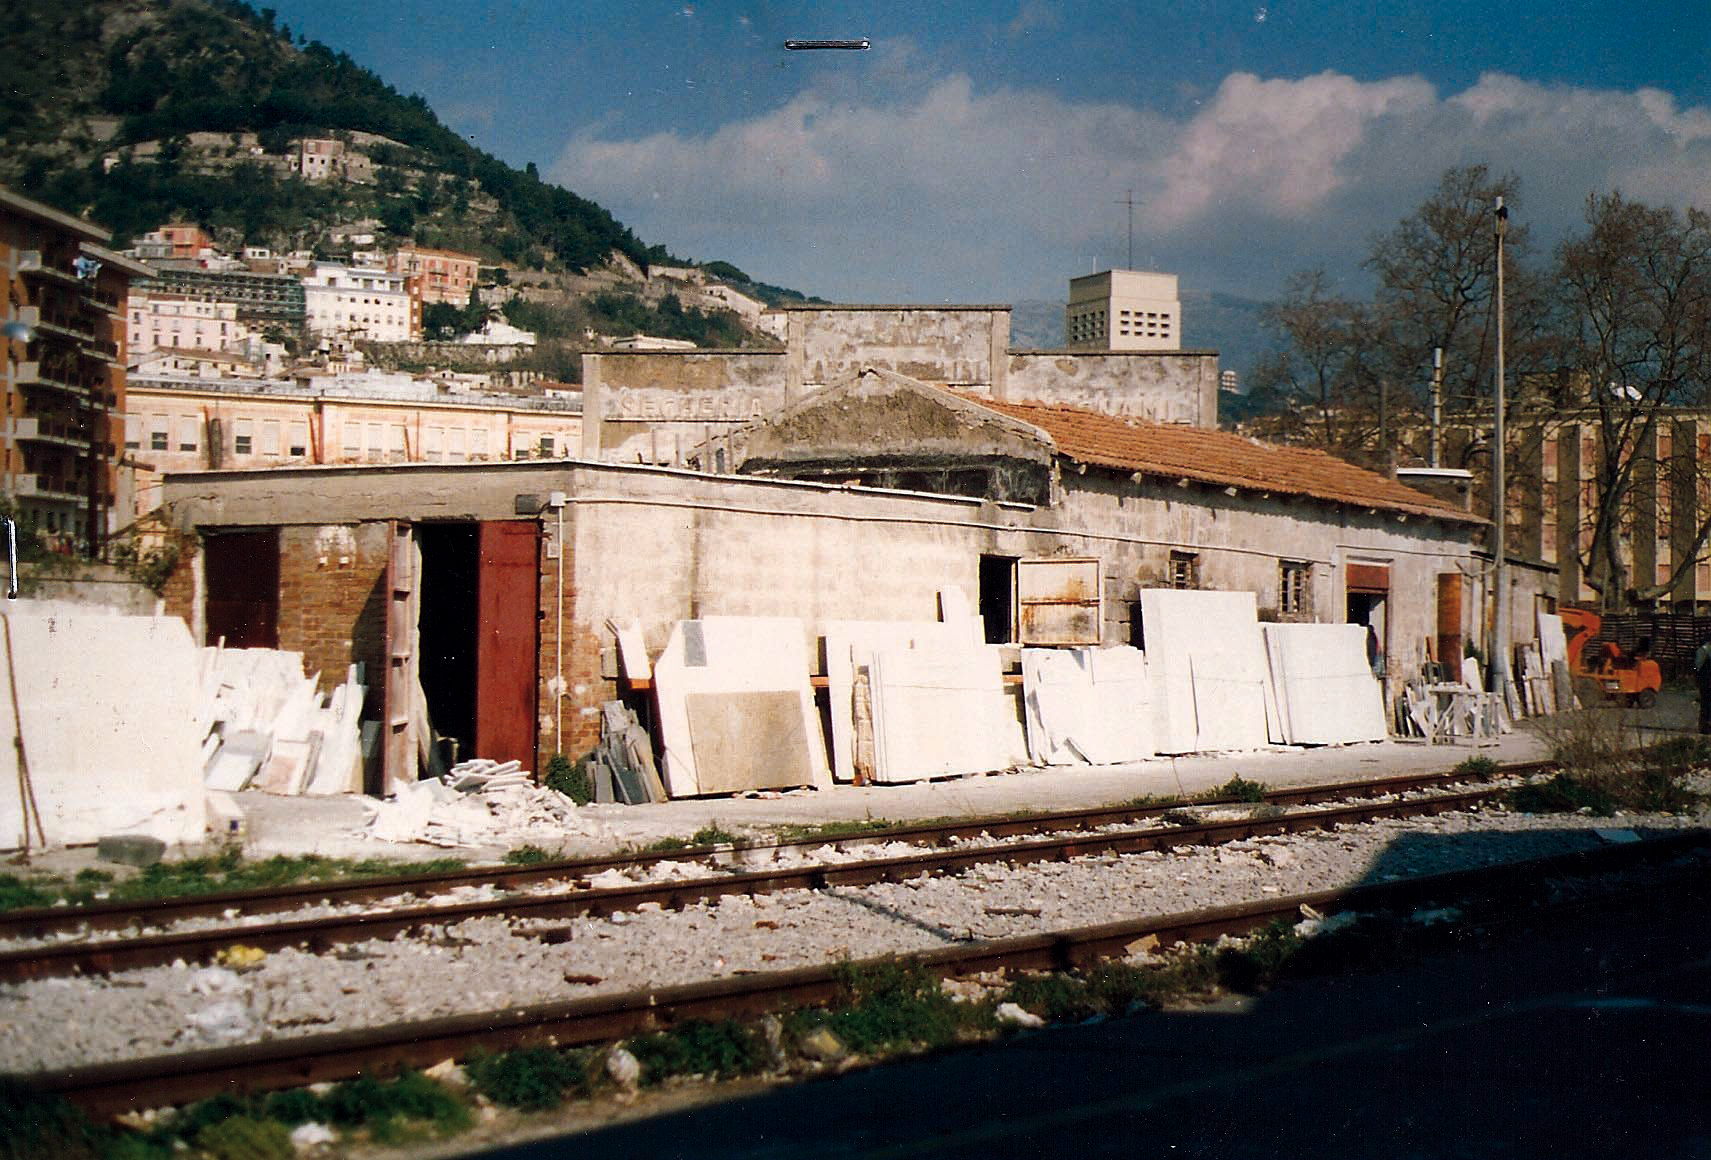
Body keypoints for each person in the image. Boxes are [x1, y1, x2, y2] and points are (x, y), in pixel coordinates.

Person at [1695, 637, 1711, 734]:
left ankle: (1706, 725)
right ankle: (1705, 726)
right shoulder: (1704, 650)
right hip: (1706, 681)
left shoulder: (1703, 650)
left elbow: (1697, 666)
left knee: (1706, 703)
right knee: (1706, 703)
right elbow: (1697, 666)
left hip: (1706, 680)